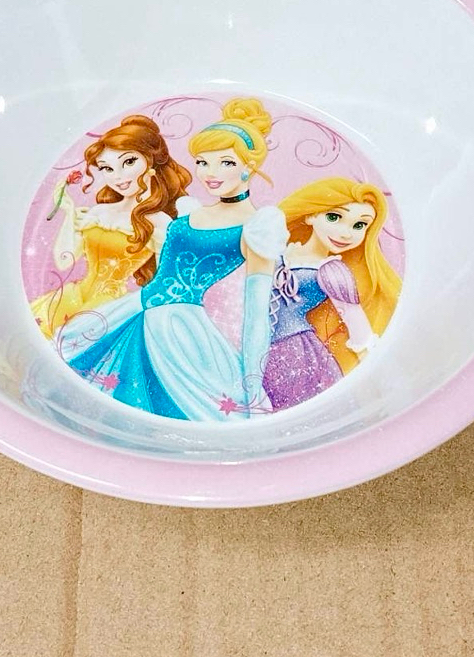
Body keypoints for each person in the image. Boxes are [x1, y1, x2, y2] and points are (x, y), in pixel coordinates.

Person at [50, 98, 286, 421]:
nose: (211, 173)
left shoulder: (258, 228)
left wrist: (252, 381)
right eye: (203, 162)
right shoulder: (188, 211)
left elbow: (256, 313)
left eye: (226, 163)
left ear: (250, 166)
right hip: (134, 312)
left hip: (181, 331)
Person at [30, 115, 191, 338]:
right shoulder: (99, 212)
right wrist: (69, 212)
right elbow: (64, 261)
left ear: (151, 162)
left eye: (129, 162)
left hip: (111, 308)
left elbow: (166, 279)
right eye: (107, 168)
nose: (118, 177)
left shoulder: (159, 221)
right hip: (72, 297)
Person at [261, 178, 401, 411]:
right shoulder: (281, 250)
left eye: (359, 225)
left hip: (293, 354)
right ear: (310, 215)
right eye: (334, 217)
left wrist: (378, 377)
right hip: (254, 343)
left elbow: (359, 330)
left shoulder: (333, 271)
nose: (345, 233)